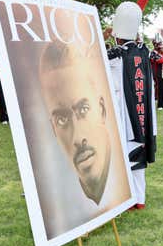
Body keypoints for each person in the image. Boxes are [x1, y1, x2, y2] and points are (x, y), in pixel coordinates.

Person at [39, 41, 126, 208]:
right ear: (54, 130)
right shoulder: (61, 204)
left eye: (84, 109)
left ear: (101, 109)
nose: (78, 138)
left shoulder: (120, 183)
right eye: (62, 120)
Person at [108, 1, 157, 209]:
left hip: (125, 114)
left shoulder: (116, 55)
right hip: (143, 113)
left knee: (125, 154)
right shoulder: (144, 52)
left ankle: (126, 199)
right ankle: (140, 199)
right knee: (139, 153)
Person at [150, 38, 163, 110]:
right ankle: (160, 105)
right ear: (159, 48)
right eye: (162, 48)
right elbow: (159, 61)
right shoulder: (156, 54)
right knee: (160, 90)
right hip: (159, 74)